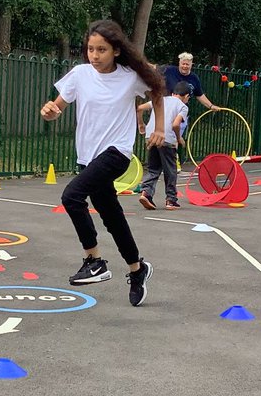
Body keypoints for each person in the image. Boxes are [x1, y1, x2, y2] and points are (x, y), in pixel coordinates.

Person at [41, 20, 165, 306]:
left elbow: (157, 90)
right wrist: (50, 112)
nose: (94, 56)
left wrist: (158, 127)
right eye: (90, 49)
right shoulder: (80, 74)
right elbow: (57, 107)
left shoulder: (130, 77)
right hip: (88, 156)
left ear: (116, 51)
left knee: (71, 196)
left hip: (117, 152)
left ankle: (94, 261)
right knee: (111, 215)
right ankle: (137, 269)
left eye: (101, 50)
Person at [138, 81, 191, 211]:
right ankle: (171, 200)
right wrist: (178, 139)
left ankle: (146, 193)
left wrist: (141, 124)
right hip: (167, 139)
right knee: (170, 170)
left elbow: (139, 108)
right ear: (186, 96)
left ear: (173, 93)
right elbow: (176, 124)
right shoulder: (183, 107)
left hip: (151, 136)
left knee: (153, 168)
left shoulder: (161, 99)